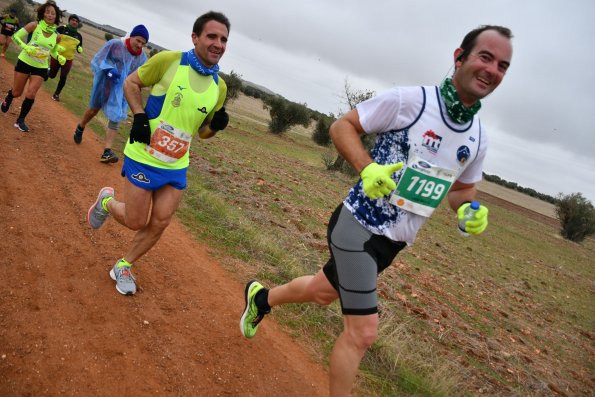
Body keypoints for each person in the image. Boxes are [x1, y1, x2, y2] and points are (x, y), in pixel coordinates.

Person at [240, 25, 513, 396]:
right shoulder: (411, 102)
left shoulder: (478, 136)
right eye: (485, 57)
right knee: (362, 332)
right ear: (459, 57)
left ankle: (261, 298)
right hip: (358, 224)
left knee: (323, 292)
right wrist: (366, 167)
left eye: (502, 65)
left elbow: (462, 190)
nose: (492, 69)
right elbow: (343, 127)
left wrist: (469, 211)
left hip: (392, 244)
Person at [86, 11, 230, 295]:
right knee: (136, 220)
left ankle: (124, 265)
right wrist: (139, 115)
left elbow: (202, 132)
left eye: (224, 39)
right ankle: (106, 203)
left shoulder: (219, 87)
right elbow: (131, 83)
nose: (218, 44)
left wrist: (215, 127)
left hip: (176, 163)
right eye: (212, 36)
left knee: (161, 221)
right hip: (144, 154)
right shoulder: (170, 61)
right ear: (195, 37)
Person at [72, 24, 148, 163]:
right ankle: (81, 126)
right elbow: (98, 59)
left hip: (122, 89)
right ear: (131, 36)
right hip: (106, 83)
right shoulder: (115, 45)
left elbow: (140, 75)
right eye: (138, 40)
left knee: (116, 116)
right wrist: (108, 69)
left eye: (143, 43)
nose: (139, 45)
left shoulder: (142, 58)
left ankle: (107, 151)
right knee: (94, 109)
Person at [1, 1, 64, 132]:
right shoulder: (34, 26)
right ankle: (10, 96)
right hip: (25, 61)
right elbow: (16, 36)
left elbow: (52, 51)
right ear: (43, 13)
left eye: (53, 13)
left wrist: (58, 57)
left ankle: (20, 120)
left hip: (40, 67)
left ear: (56, 17)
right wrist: (26, 47)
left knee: (31, 93)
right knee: (17, 92)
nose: (50, 15)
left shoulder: (57, 36)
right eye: (47, 12)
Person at [48, 13, 83, 101]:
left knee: (63, 77)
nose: (74, 22)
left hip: (68, 59)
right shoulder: (61, 29)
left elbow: (79, 47)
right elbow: (52, 38)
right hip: (57, 57)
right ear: (69, 21)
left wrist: (79, 49)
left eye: (76, 21)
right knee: (52, 75)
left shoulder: (79, 36)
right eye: (73, 20)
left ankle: (56, 94)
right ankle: (42, 73)